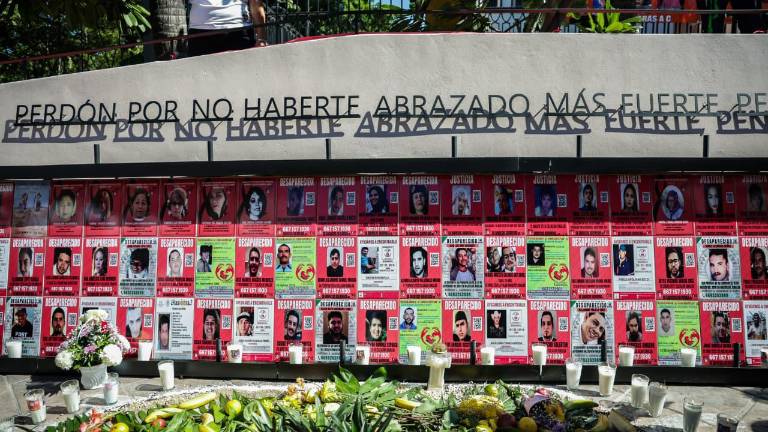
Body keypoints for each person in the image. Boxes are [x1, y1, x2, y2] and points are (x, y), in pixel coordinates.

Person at [188, 0, 267, 57]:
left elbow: (256, 4)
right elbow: (256, 5)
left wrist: (261, 38)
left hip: (237, 30)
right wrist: (261, 38)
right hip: (237, 30)